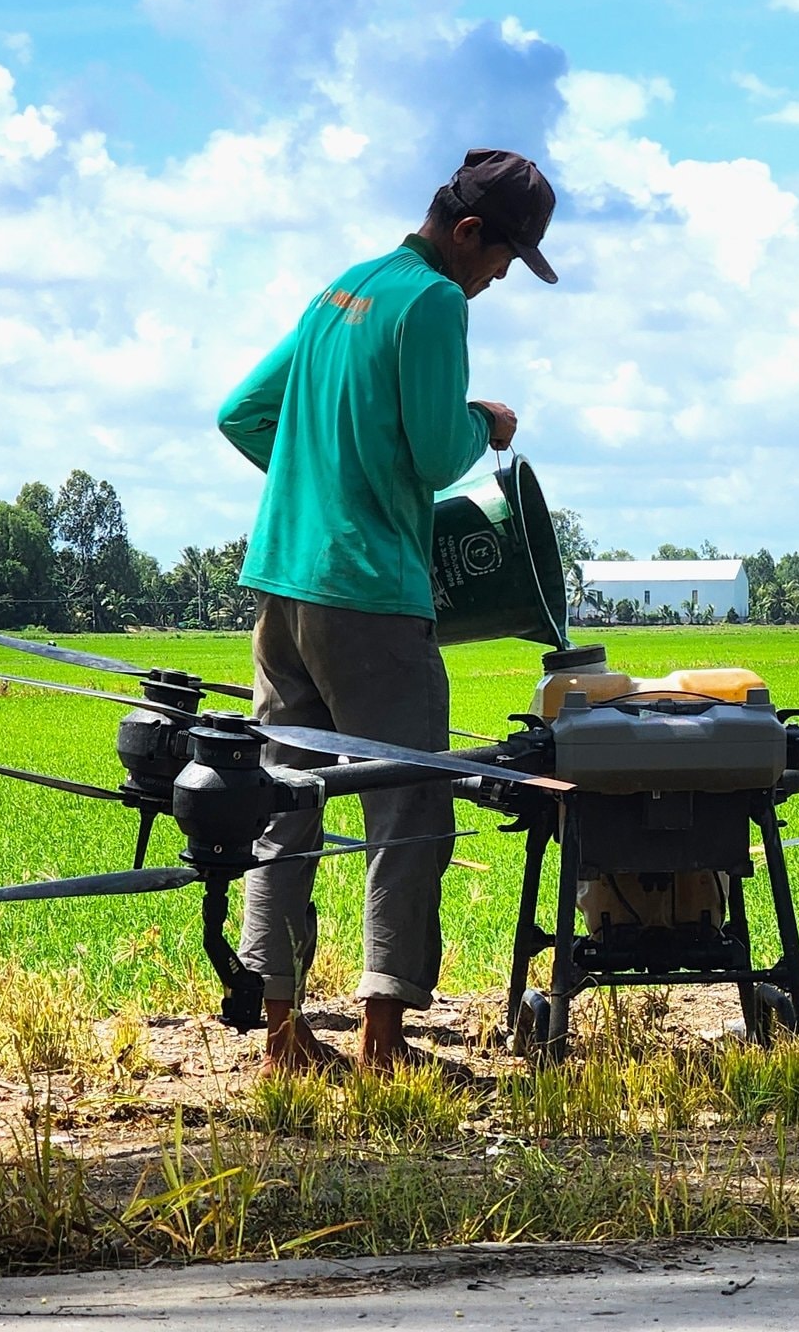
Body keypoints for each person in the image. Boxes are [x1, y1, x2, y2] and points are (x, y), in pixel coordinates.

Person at [216, 148, 558, 1074]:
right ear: (468, 232)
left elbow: (243, 413)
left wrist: (322, 482)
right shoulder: (435, 300)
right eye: (504, 258)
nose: (498, 280)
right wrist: (485, 421)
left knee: (285, 803)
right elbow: (436, 453)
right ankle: (382, 1038)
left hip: (282, 585)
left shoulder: (343, 289)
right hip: (370, 595)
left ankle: (282, 1036)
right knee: (408, 806)